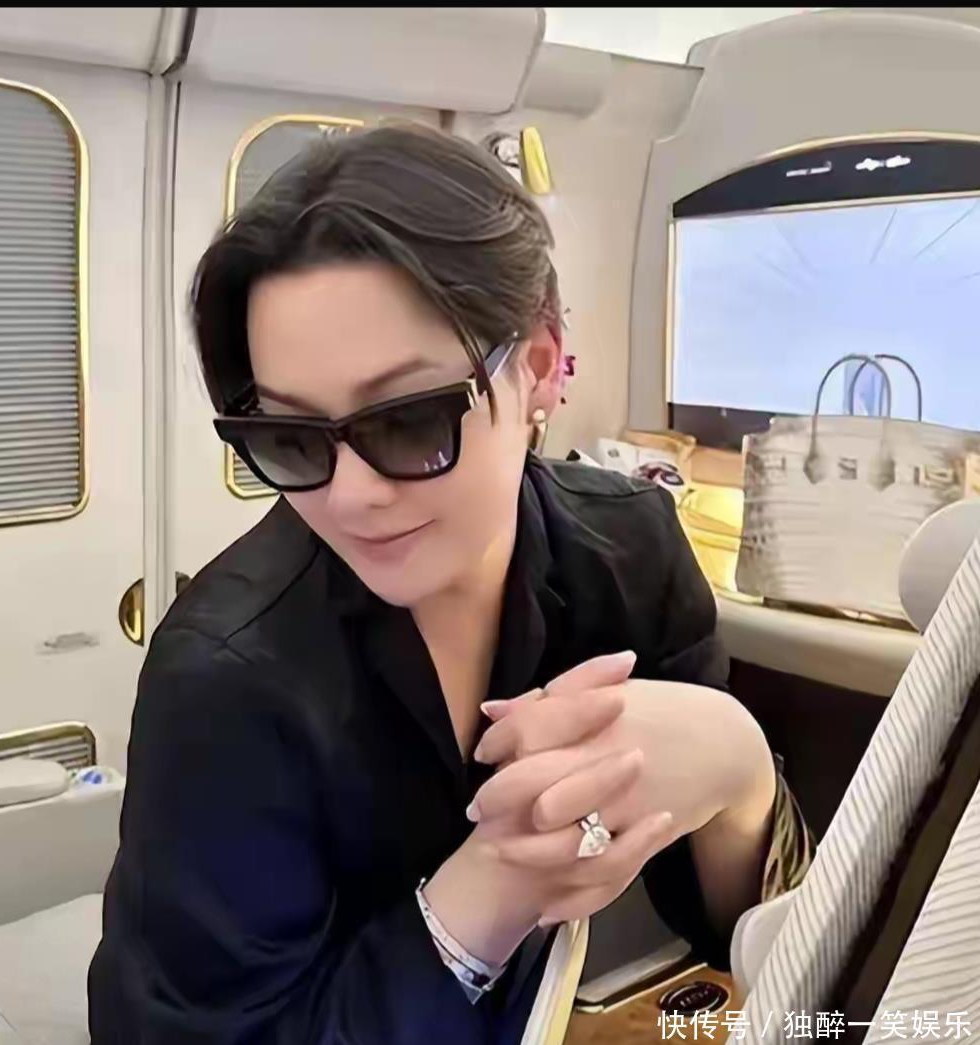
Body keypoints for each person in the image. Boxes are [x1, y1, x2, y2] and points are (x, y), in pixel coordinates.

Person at [88, 122, 810, 1044]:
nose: (352, 495)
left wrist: (738, 767)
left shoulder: (629, 548)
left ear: (539, 366)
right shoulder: (227, 674)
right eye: (292, 439)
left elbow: (745, 946)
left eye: (410, 420)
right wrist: (487, 894)